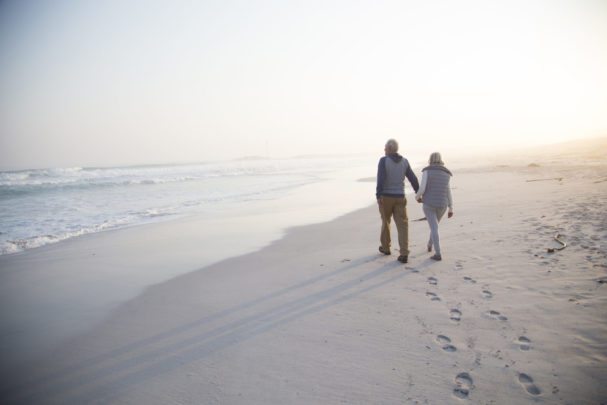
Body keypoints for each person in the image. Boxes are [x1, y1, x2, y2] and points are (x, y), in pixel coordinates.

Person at [376, 139, 419, 263]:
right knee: (402, 225)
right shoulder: (404, 161)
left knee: (386, 222)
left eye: (385, 147)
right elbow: (412, 178)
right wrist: (418, 192)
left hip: (386, 196)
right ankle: (404, 253)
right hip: (400, 196)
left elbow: (381, 178)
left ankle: (386, 247)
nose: (384, 150)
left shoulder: (383, 161)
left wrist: (378, 195)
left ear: (389, 149)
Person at [415, 152, 453, 261]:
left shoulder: (427, 171)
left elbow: (422, 188)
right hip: (442, 205)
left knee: (434, 227)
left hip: (429, 204)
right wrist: (451, 208)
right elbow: (448, 191)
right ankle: (429, 245)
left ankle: (438, 253)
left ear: (430, 160)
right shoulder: (446, 173)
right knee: (434, 226)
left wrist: (417, 197)